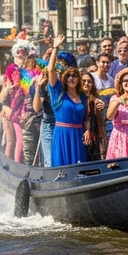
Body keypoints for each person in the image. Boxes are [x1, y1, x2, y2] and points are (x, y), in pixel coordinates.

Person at [40, 33, 90, 166]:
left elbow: (86, 119)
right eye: (69, 76)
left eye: (75, 76)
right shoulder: (58, 93)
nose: (72, 78)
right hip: (62, 134)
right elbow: (51, 70)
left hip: (77, 135)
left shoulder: (83, 96)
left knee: (78, 167)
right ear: (64, 79)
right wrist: (55, 48)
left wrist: (88, 131)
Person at [79, 71, 107, 160]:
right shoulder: (76, 98)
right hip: (80, 134)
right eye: (84, 81)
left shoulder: (95, 99)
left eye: (89, 81)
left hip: (94, 137)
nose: (86, 83)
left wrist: (101, 108)